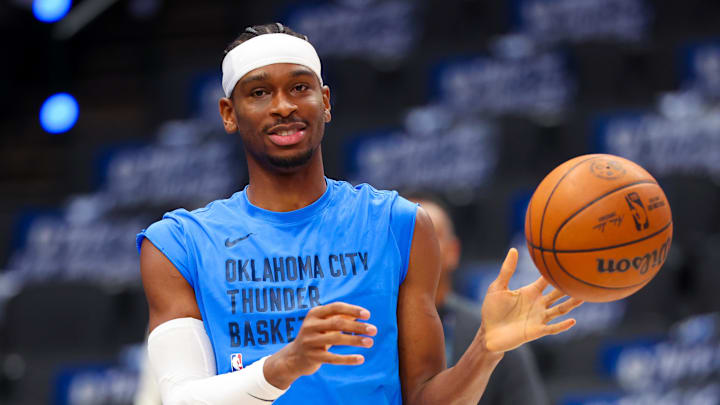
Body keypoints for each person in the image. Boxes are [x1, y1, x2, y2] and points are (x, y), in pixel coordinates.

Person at [137, 22, 583, 405]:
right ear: (229, 114)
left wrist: (486, 347)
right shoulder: (179, 244)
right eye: (259, 92)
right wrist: (288, 363)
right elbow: (182, 398)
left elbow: (424, 397)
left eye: (299, 87)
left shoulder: (399, 225)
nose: (283, 106)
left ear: (325, 102)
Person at [411, 196, 550, 405]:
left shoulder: (497, 334)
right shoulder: (362, 329)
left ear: (453, 251)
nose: (413, 248)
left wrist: (486, 349)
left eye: (426, 235)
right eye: (404, 238)